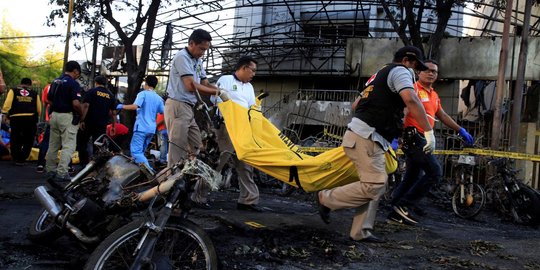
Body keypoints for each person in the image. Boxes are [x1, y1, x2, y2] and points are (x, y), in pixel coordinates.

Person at [315, 46, 435, 243]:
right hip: (367, 137)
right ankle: (326, 198)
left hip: (367, 136)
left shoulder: (378, 75)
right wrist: (428, 131)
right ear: (407, 60)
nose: (415, 73)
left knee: (377, 184)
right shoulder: (400, 71)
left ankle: (360, 232)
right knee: (375, 183)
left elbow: (356, 105)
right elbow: (411, 99)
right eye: (416, 67)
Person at [387, 59, 474, 225]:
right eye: (427, 70)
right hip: (413, 137)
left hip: (423, 139)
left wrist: (460, 130)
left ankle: (394, 210)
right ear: (419, 72)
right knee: (435, 172)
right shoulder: (413, 89)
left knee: (413, 175)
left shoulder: (433, 95)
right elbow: (404, 111)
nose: (431, 73)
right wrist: (395, 136)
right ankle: (403, 205)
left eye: (434, 71)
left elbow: (442, 115)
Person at [164, 28, 229, 209]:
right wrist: (218, 92)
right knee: (175, 152)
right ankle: (170, 198)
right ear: (191, 43)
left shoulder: (197, 60)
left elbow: (205, 83)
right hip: (177, 105)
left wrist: (220, 91)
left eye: (205, 49)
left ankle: (173, 182)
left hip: (188, 108)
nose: (203, 53)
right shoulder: (181, 57)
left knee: (197, 146)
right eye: (201, 48)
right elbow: (191, 85)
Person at [215, 56, 262, 212]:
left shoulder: (249, 87)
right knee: (219, 161)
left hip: (243, 128)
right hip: (226, 126)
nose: (254, 74)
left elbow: (251, 107)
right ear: (243, 68)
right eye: (252, 70)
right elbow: (214, 99)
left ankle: (248, 200)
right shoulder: (226, 80)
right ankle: (197, 195)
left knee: (246, 164)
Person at [45, 60, 83, 182]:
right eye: (78, 73)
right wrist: (81, 114)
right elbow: (76, 103)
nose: (78, 75)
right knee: (68, 146)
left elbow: (49, 99)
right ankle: (62, 172)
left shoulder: (55, 81)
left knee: (53, 145)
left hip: (54, 115)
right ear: (75, 71)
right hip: (67, 116)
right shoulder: (73, 83)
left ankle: (50, 170)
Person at [117, 75, 164, 169]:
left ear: (146, 83)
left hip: (141, 128)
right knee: (141, 152)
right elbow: (163, 112)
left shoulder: (143, 94)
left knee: (136, 152)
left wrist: (122, 106)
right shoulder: (158, 98)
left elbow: (135, 106)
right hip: (151, 129)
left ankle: (150, 172)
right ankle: (138, 172)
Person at [77, 75, 117, 168]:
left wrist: (82, 120)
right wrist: (114, 126)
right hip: (101, 124)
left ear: (96, 83)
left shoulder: (91, 92)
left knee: (82, 143)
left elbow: (86, 106)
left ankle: (84, 164)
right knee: (98, 145)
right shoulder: (110, 95)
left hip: (88, 122)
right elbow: (113, 113)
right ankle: (95, 166)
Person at [1, 78, 42, 165]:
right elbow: (39, 108)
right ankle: (23, 158)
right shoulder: (34, 93)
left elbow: (8, 102)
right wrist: (37, 116)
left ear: (20, 83)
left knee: (15, 138)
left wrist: (5, 113)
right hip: (30, 118)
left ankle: (16, 157)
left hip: (16, 118)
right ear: (30, 85)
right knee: (28, 139)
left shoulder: (13, 91)